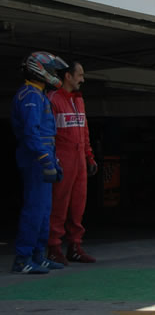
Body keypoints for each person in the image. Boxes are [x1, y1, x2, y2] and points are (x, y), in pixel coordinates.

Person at [11, 52, 70, 274]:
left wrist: (52, 159)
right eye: (52, 71)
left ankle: (38, 255)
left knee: (45, 211)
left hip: (44, 157)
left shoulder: (39, 94)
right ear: (39, 69)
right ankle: (23, 258)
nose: (55, 75)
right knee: (34, 210)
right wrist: (45, 158)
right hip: (35, 160)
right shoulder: (30, 96)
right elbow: (31, 133)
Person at [46, 61, 98, 265]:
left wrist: (89, 156)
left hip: (79, 161)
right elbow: (47, 133)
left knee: (78, 205)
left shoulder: (79, 101)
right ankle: (53, 247)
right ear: (67, 76)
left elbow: (84, 131)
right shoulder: (52, 99)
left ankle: (75, 246)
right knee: (58, 204)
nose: (82, 79)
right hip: (62, 158)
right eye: (80, 75)